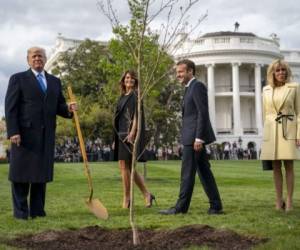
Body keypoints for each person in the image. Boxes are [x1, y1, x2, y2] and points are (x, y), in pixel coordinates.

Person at [5, 47, 77, 219]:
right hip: (24, 136)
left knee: (40, 175)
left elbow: (58, 106)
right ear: (28, 59)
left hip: (46, 137)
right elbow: (10, 108)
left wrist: (69, 109)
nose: (37, 58)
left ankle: (38, 212)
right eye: (34, 56)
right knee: (21, 175)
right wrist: (13, 131)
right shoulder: (18, 79)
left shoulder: (54, 81)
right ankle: (21, 213)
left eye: (41, 56)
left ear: (45, 59)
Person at [159, 59, 223, 215]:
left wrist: (199, 138)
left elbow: (202, 112)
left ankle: (180, 208)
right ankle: (216, 205)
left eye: (181, 72)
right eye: (177, 72)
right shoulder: (189, 88)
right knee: (204, 172)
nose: (178, 75)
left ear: (190, 71)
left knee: (187, 173)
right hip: (191, 137)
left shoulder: (197, 86)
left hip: (194, 139)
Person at [260, 59, 300, 212]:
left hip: (288, 129)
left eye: (283, 70)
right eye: (278, 70)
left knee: (289, 166)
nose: (281, 73)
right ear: (272, 73)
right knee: (276, 167)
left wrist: (298, 134)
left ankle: (289, 201)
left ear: (287, 72)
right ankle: (278, 200)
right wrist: (266, 134)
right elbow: (265, 114)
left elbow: (299, 112)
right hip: (271, 131)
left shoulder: (294, 87)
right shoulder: (266, 90)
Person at [113, 70, 155, 209]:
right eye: (127, 78)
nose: (129, 80)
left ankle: (127, 198)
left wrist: (132, 132)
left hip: (129, 135)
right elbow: (118, 119)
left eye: (132, 78)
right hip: (120, 134)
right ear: (123, 80)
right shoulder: (122, 97)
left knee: (125, 166)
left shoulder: (136, 95)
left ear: (135, 81)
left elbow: (137, 116)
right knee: (128, 167)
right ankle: (147, 194)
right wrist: (115, 138)